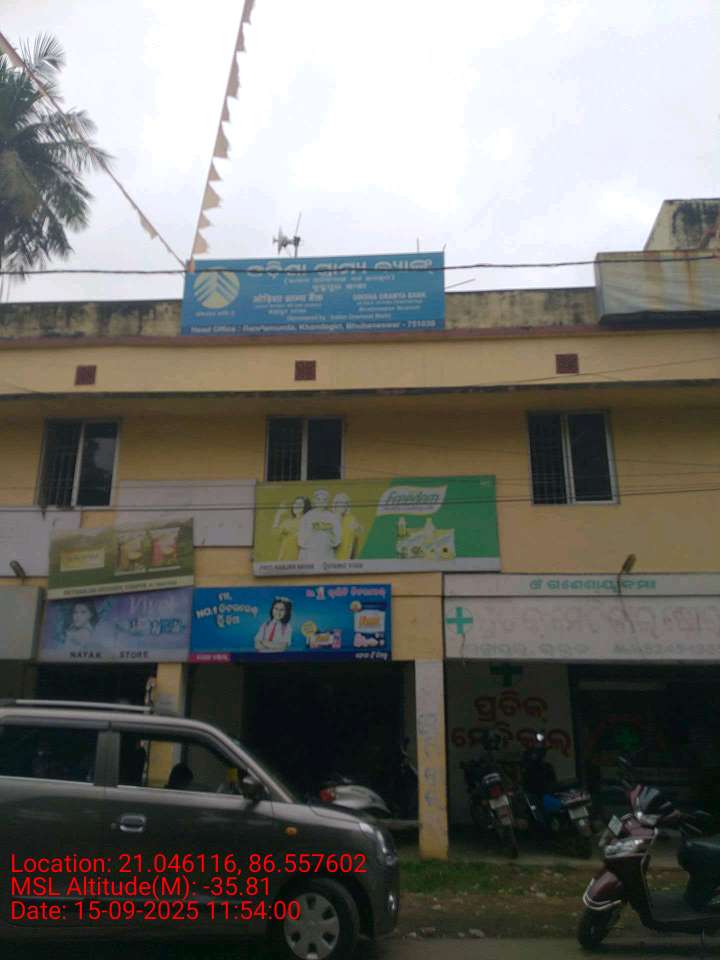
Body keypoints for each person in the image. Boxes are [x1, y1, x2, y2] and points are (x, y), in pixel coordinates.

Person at [298, 489, 341, 563]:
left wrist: (327, 531)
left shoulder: (332, 517)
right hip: (310, 555)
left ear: (327, 502)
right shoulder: (307, 516)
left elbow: (337, 540)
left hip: (327, 554)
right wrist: (313, 530)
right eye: (318, 499)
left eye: (324, 500)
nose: (321, 502)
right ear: (314, 501)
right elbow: (301, 540)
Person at [272, 496, 309, 561]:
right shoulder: (287, 522)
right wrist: (278, 515)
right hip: (284, 558)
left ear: (305, 507)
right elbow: (275, 535)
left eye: (300, 504)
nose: (296, 506)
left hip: (300, 559)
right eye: (295, 503)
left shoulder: (308, 521)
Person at [332, 493, 363, 560]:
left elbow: (359, 535)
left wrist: (358, 529)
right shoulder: (330, 518)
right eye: (340, 502)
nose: (343, 506)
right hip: (332, 558)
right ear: (335, 504)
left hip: (347, 557)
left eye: (345, 503)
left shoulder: (351, 519)